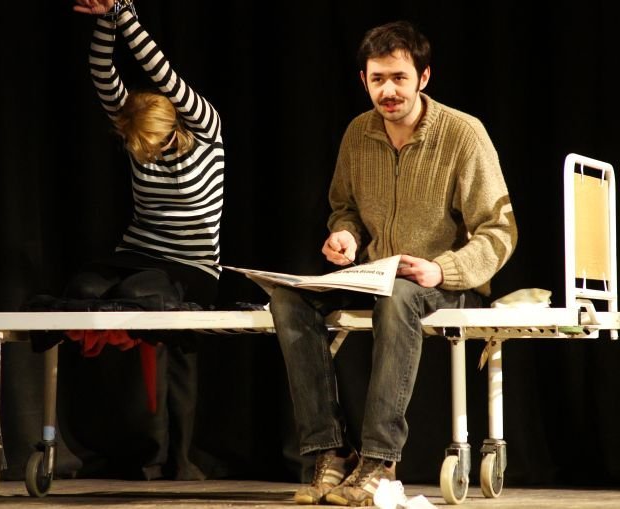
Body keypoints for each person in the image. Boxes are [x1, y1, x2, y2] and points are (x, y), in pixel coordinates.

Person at [268, 20, 517, 506]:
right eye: (378, 79)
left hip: (444, 280)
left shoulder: (463, 134)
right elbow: (345, 208)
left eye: (399, 77)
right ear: (364, 80)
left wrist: (443, 269)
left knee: (401, 296)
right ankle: (329, 452)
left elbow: (500, 229)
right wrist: (345, 235)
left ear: (423, 77)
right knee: (288, 296)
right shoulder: (358, 133)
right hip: (375, 273)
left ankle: (379, 461)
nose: (388, 91)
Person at [68, 0, 224, 481]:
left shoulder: (206, 128)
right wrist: (105, 22)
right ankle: (113, 442)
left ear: (173, 128)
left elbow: (163, 73)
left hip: (193, 266)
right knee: (83, 289)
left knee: (141, 294)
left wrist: (126, 15)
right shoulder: (135, 130)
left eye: (155, 147)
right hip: (138, 252)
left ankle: (172, 453)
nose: (148, 156)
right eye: (140, 150)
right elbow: (102, 74)